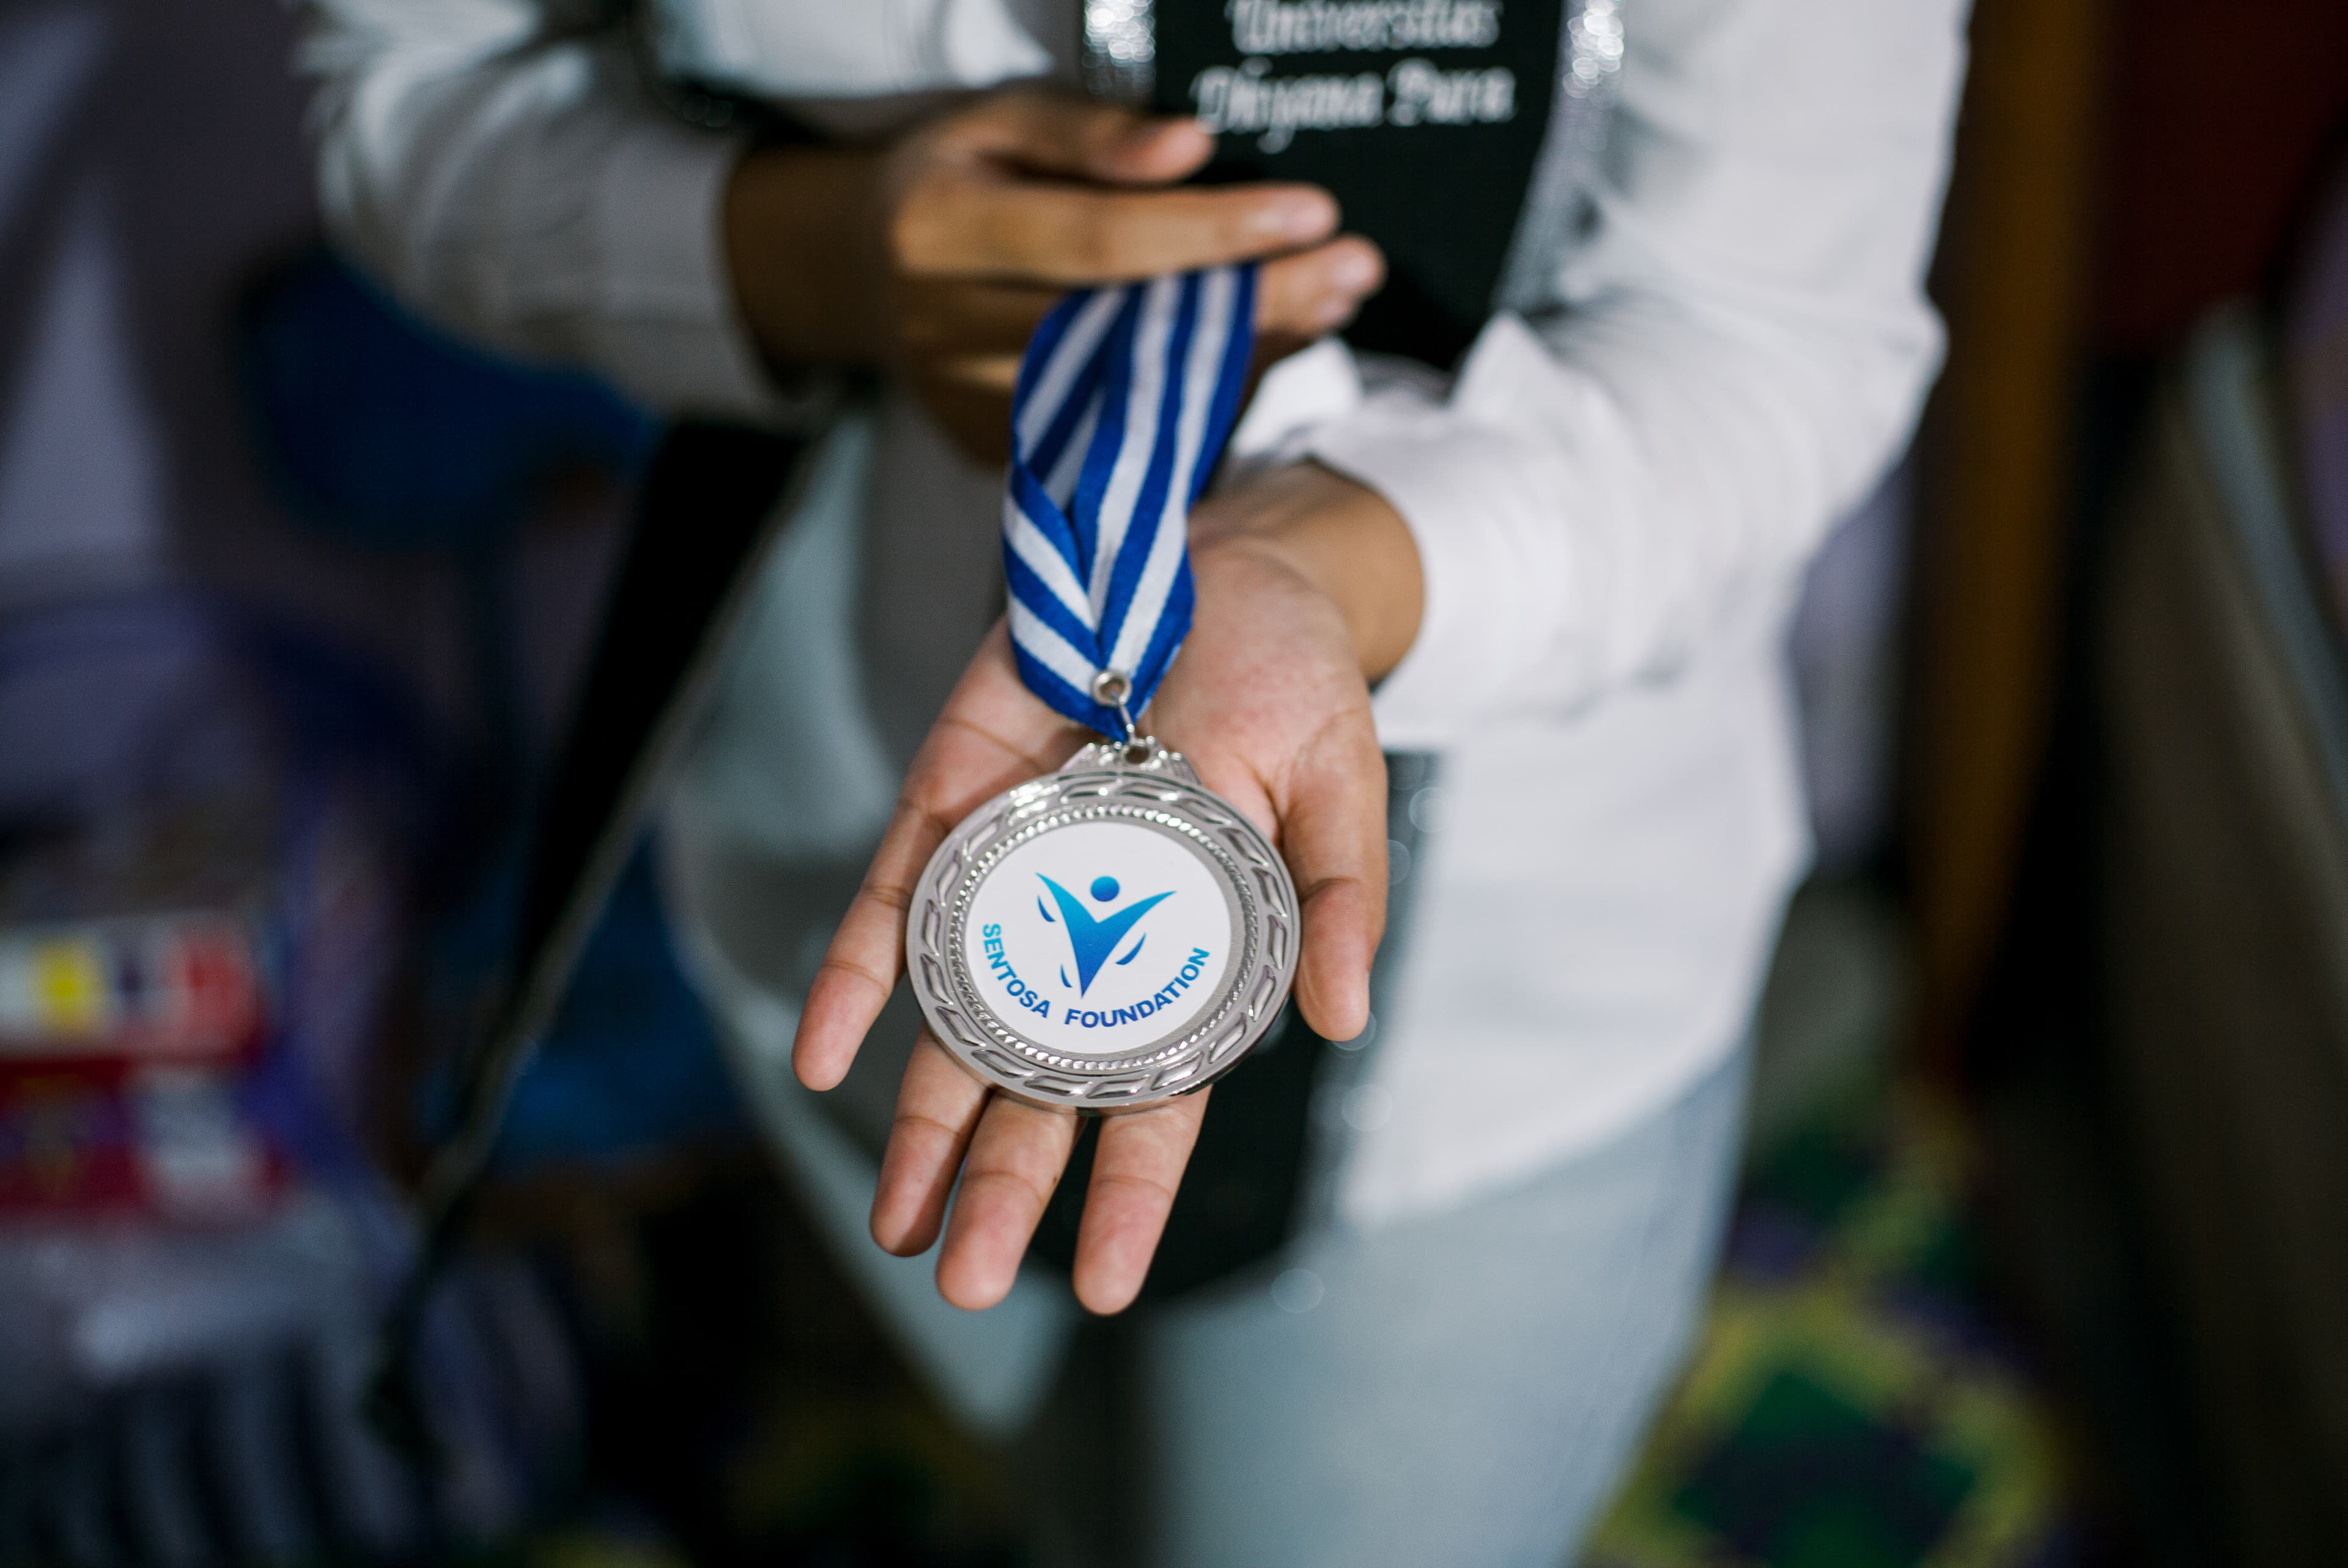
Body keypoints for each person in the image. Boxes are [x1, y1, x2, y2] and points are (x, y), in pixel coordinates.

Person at [303, 1, 1965, 1561]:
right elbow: (405, 88)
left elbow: (1770, 336)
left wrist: (1321, 564)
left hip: (1504, 981)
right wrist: (813, 252)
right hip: (863, 827)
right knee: (1072, 1487)